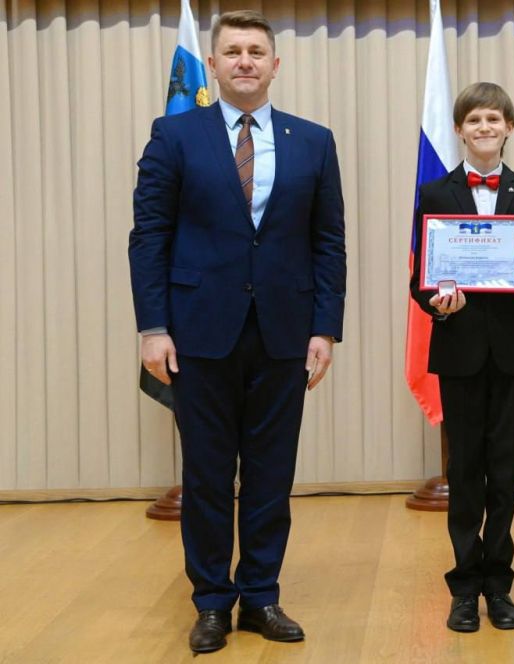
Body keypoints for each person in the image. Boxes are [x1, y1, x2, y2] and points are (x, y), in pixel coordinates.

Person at [128, 10, 346, 653]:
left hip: (285, 332)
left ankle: (261, 595)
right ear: (215, 65)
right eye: (233, 52)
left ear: (275, 65)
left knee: (272, 475)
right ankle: (212, 601)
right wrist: (152, 327)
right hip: (196, 333)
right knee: (206, 475)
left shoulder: (313, 140)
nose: (245, 61)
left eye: (257, 51)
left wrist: (325, 328)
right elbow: (150, 239)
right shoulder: (174, 135)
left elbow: (328, 243)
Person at [409, 82, 514, 633]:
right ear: (459, 129)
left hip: (513, 348)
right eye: (474, 121)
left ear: (509, 127)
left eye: (494, 120)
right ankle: (465, 584)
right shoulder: (434, 193)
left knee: (506, 468)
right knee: (465, 468)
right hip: (459, 346)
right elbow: (421, 277)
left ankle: (500, 582)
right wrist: (439, 303)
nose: (485, 129)